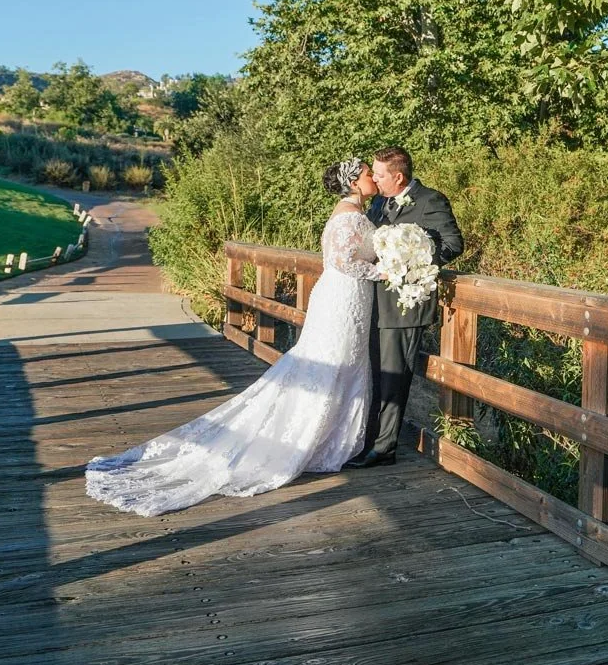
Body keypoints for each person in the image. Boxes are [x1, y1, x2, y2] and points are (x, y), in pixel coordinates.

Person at [85, 158, 383, 516]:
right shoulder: (349, 216)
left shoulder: (353, 211)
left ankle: (331, 441)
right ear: (353, 182)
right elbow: (345, 262)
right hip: (343, 297)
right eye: (368, 174)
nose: (373, 179)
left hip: (348, 297)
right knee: (331, 363)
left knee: (343, 364)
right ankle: (312, 442)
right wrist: (390, 268)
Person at [345, 147, 463, 468]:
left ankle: (384, 448)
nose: (375, 180)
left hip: (404, 304)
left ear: (398, 176)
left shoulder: (431, 201)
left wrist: (411, 258)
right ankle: (366, 440)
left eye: (380, 175)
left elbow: (453, 244)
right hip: (373, 303)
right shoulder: (379, 203)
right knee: (374, 375)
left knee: (395, 377)